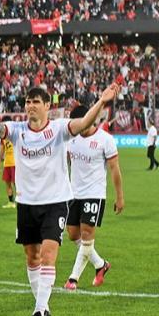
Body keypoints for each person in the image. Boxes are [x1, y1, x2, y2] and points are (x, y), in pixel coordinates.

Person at [0, 79, 119, 316]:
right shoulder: (16, 129)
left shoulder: (59, 129)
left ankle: (37, 311)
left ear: (48, 106)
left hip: (55, 203)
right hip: (26, 203)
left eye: (36, 102)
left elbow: (83, 123)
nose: (31, 106)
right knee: (32, 257)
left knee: (48, 256)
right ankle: (43, 305)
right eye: (28, 102)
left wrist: (102, 101)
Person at [64, 104, 125, 290]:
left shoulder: (105, 140)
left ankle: (73, 279)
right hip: (74, 193)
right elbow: (66, 162)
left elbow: (115, 169)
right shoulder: (71, 139)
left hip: (94, 194)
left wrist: (119, 197)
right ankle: (101, 265)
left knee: (86, 235)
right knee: (73, 234)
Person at [0, 134, 17, 208]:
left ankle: (22, 202)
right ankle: (11, 202)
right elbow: (2, 150)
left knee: (17, 184)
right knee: (8, 183)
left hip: (15, 163)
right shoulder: (3, 139)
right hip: (7, 163)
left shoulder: (16, 136)